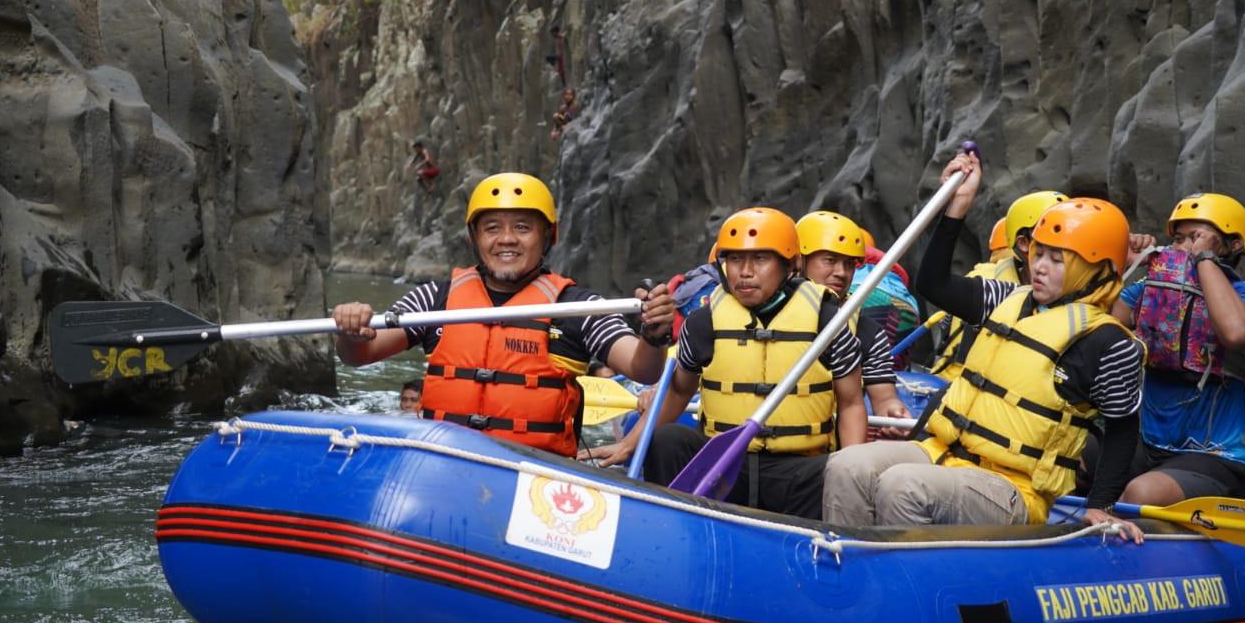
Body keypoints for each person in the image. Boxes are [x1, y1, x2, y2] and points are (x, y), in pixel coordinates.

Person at [821, 152, 1144, 542]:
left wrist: (1101, 505)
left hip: (1012, 487)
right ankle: (847, 578)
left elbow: (1123, 430)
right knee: (846, 466)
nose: (1040, 266)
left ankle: (908, 591)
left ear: (1095, 268)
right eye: (1038, 253)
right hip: (943, 451)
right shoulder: (1003, 297)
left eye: (1057, 260)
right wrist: (956, 208)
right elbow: (933, 284)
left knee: (902, 486)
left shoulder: (1108, 343)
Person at [332, 172, 675, 458]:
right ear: (475, 237)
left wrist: (654, 334)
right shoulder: (435, 299)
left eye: (523, 228)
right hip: (443, 462)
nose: (506, 240)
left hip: (534, 474)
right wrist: (349, 331)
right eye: (492, 228)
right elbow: (360, 354)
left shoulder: (577, 307)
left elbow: (643, 369)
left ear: (547, 237)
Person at [586, 207, 867, 519]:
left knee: (841, 470)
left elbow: (852, 403)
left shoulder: (827, 320)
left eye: (760, 259)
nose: (744, 272)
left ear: (789, 265)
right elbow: (678, 393)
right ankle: (673, 525)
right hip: (725, 466)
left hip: (800, 471)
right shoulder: (704, 322)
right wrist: (629, 445)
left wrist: (851, 470)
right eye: (734, 259)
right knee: (666, 440)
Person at [1113, 193, 1245, 505]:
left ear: (1232, 245)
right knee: (1070, 456)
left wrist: (1205, 260)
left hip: (1218, 457)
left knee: (1141, 493)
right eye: (1178, 239)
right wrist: (1119, 261)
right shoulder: (1152, 290)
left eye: (1197, 237)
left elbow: (1237, 332)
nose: (1185, 247)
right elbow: (1098, 324)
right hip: (1148, 445)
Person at [931, 191, 1067, 381]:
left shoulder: (1079, 308)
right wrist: (956, 209)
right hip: (955, 382)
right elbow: (934, 285)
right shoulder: (994, 292)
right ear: (1023, 244)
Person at [794, 211, 910, 430]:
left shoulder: (867, 331)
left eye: (848, 264)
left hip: (822, 449)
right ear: (800, 260)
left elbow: (884, 398)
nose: (841, 272)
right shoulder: (760, 314)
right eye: (830, 260)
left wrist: (893, 411)